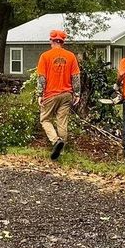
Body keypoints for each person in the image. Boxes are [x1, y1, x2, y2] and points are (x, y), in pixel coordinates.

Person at [35, 29, 81, 160]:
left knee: (45, 119)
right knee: (62, 122)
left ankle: (56, 141)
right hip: (67, 94)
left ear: (52, 41)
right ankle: (61, 151)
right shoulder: (71, 56)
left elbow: (41, 77)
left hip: (50, 94)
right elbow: (76, 76)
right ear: (62, 42)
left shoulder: (45, 56)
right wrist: (77, 93)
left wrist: (40, 93)